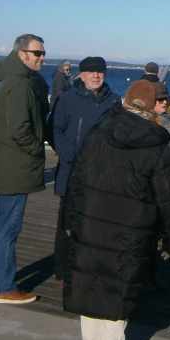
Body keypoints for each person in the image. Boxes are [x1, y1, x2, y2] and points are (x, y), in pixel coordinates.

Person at [62, 80, 170, 340]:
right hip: (131, 229)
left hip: (90, 221)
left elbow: (76, 180)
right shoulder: (155, 143)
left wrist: (71, 220)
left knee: (89, 288)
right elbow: (167, 197)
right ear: (151, 106)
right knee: (117, 294)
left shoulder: (98, 131)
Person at [0, 34, 49, 305]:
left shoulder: (11, 80)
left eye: (43, 53)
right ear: (22, 54)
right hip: (16, 164)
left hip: (8, 161)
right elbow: (20, 128)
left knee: (2, 223)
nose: (42, 58)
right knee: (9, 227)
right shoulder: (20, 84)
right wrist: (36, 148)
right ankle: (4, 287)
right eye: (37, 53)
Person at [50, 56, 120, 280]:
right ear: (81, 74)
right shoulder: (68, 98)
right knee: (67, 223)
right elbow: (54, 129)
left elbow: (118, 133)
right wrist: (68, 153)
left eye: (100, 71)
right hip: (72, 170)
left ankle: (88, 268)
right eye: (91, 71)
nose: (96, 75)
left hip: (101, 172)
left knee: (95, 223)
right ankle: (63, 269)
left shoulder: (114, 101)